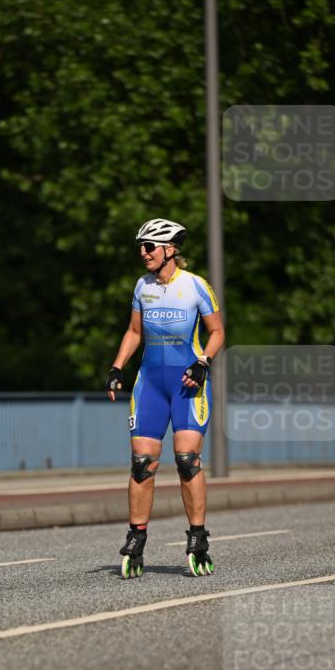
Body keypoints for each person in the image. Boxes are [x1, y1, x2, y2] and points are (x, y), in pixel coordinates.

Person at [106, 218, 225, 578]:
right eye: (141, 247)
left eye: (149, 247)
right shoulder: (142, 286)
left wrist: (203, 361)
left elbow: (217, 331)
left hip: (188, 384)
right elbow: (134, 331)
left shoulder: (195, 286)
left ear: (170, 250)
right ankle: (136, 537)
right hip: (150, 384)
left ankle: (198, 537)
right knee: (142, 464)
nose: (143, 253)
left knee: (187, 460)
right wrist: (116, 367)